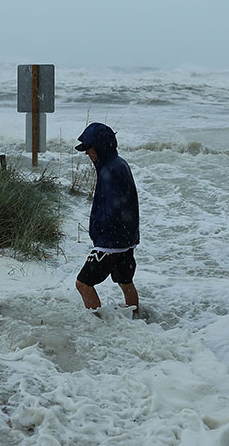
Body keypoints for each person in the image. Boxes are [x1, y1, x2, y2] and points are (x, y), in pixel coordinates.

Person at [74, 122, 140, 317]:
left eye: (89, 148)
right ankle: (136, 319)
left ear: (100, 146)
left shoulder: (109, 170)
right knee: (126, 282)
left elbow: (113, 209)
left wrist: (98, 229)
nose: (87, 153)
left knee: (83, 284)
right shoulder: (119, 163)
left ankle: (98, 326)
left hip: (110, 243)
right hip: (126, 240)